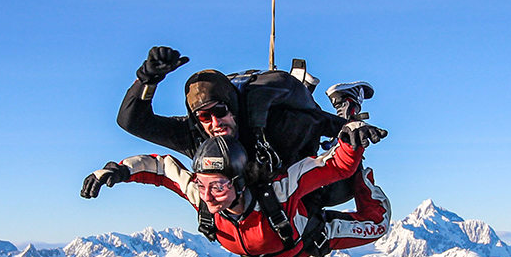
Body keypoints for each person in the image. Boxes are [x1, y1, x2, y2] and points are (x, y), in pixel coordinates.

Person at [80, 130, 390, 257]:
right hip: (278, 251)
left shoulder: (279, 192)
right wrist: (116, 171)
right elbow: (161, 168)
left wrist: (352, 144)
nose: (207, 195)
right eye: (202, 184)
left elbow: (332, 166)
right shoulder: (203, 198)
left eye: (217, 186)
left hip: (308, 239)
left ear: (240, 183)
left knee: (378, 225)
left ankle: (350, 117)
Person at [116, 46, 384, 182]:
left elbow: (319, 121)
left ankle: (347, 100)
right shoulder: (195, 136)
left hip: (296, 141)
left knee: (341, 181)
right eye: (204, 117)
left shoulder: (273, 122)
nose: (214, 124)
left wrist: (350, 126)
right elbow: (132, 121)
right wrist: (147, 80)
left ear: (232, 106)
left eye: (219, 112)